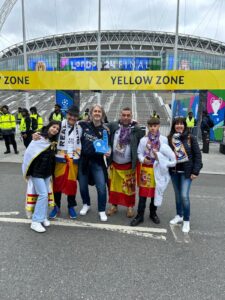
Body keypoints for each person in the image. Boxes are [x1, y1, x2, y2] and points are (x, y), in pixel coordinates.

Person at [130, 117, 172, 226]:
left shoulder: (163, 140)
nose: (153, 128)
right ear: (148, 127)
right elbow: (139, 153)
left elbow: (167, 154)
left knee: (155, 193)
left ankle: (153, 213)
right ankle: (140, 215)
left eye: (155, 126)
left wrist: (161, 159)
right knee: (143, 194)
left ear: (158, 126)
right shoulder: (144, 140)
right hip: (146, 169)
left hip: (158, 169)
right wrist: (143, 159)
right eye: (151, 126)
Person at [22, 121, 60, 233]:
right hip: (37, 172)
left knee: (45, 194)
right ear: (49, 127)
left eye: (57, 129)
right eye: (53, 127)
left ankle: (43, 217)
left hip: (47, 173)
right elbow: (29, 154)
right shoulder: (38, 138)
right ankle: (35, 221)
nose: (55, 130)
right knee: (43, 194)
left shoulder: (53, 141)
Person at [107, 107, 144, 218]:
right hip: (115, 163)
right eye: (124, 115)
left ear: (131, 116)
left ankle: (130, 207)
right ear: (120, 115)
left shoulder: (136, 129)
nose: (126, 117)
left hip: (128, 164)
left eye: (128, 115)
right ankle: (114, 206)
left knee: (129, 188)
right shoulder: (114, 126)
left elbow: (144, 140)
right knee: (114, 187)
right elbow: (102, 126)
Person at [168, 117, 202, 233]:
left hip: (187, 173)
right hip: (174, 172)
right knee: (177, 195)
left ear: (185, 125)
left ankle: (186, 220)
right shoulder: (170, 138)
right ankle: (179, 215)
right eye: (176, 124)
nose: (179, 126)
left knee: (184, 196)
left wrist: (195, 171)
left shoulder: (190, 138)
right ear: (173, 126)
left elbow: (198, 156)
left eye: (181, 124)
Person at [48, 105, 82, 219]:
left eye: (75, 116)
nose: (72, 117)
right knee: (57, 185)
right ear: (67, 114)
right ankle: (56, 207)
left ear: (77, 117)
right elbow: (47, 130)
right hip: (59, 160)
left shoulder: (80, 127)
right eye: (70, 115)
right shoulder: (59, 124)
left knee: (71, 184)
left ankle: (71, 206)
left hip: (74, 160)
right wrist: (37, 134)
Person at [78, 104, 110, 222]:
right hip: (84, 161)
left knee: (101, 187)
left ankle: (101, 210)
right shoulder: (83, 124)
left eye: (99, 112)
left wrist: (108, 150)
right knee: (82, 186)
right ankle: (86, 204)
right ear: (91, 114)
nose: (97, 113)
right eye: (95, 111)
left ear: (102, 114)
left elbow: (108, 146)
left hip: (97, 162)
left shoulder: (105, 130)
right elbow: (67, 125)